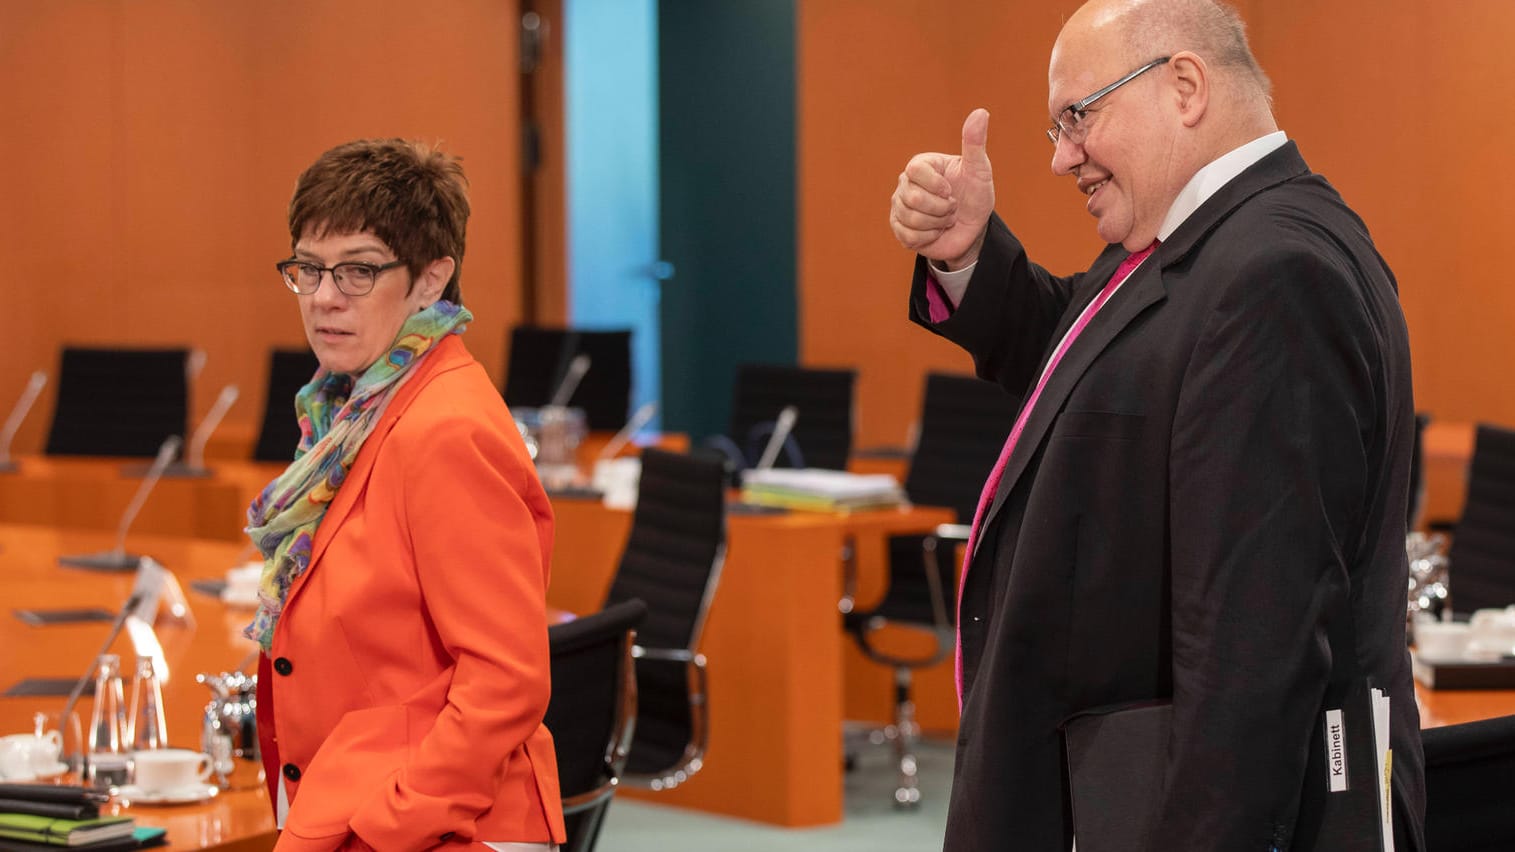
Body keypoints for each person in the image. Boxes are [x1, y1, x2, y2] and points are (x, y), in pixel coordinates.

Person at [888, 1, 1425, 849]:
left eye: (1078, 116)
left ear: (1183, 85)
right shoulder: (1208, 243)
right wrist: (968, 253)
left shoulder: (1274, 273)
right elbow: (1090, 359)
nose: (1062, 155)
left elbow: (1252, 655)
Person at [245, 139, 564, 851]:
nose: (325, 297)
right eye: (310, 268)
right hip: (365, 801)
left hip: (444, 826)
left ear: (430, 279)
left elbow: (505, 680)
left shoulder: (441, 428)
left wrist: (394, 822)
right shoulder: (349, 415)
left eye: (359, 271)